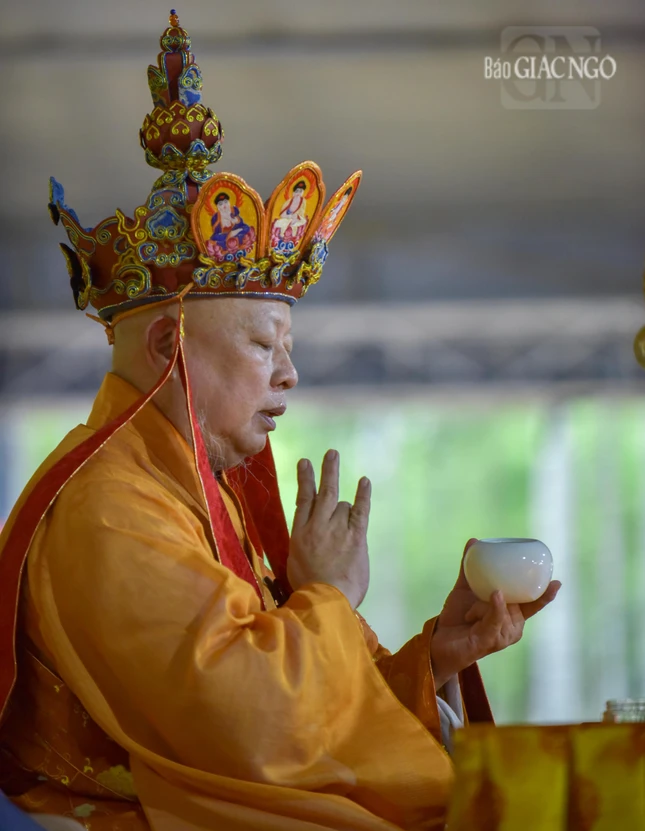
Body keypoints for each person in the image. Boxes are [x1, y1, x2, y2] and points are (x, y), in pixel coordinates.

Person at [0, 12, 560, 831]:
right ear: (169, 347)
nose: (289, 374)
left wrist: (432, 658)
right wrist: (327, 592)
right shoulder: (109, 507)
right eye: (264, 344)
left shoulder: (196, 493)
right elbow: (248, 726)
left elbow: (303, 717)